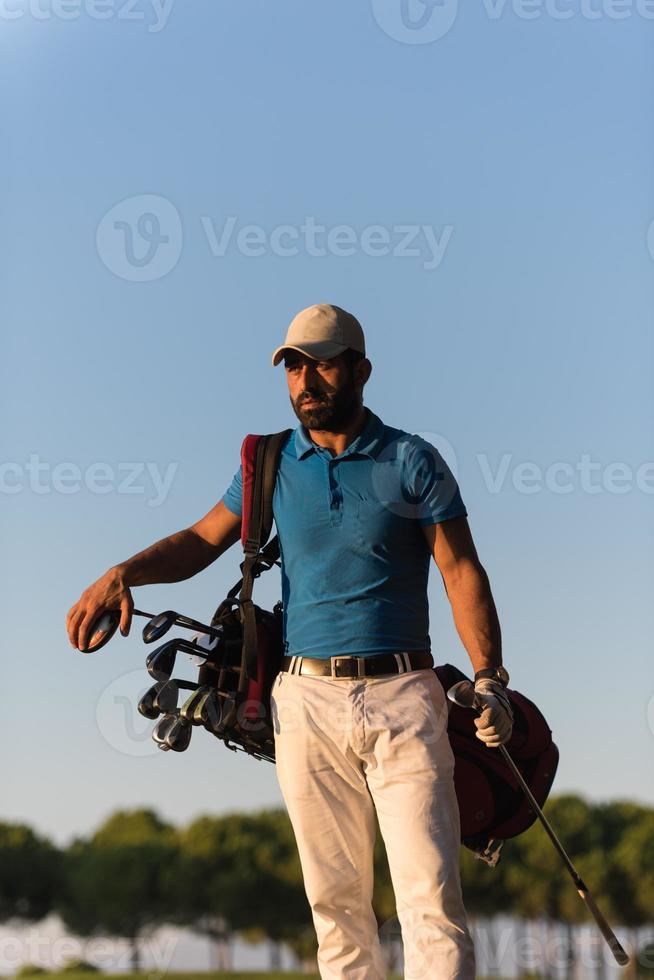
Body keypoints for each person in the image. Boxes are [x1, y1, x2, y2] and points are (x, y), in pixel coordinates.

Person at [67, 303, 513, 980]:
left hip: (404, 698)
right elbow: (200, 540)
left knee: (430, 903)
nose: (307, 380)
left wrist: (488, 679)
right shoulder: (271, 462)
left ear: (361, 371)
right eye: (294, 366)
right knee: (335, 911)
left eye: (324, 363)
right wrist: (123, 572)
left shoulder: (411, 459)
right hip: (304, 702)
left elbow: (460, 570)